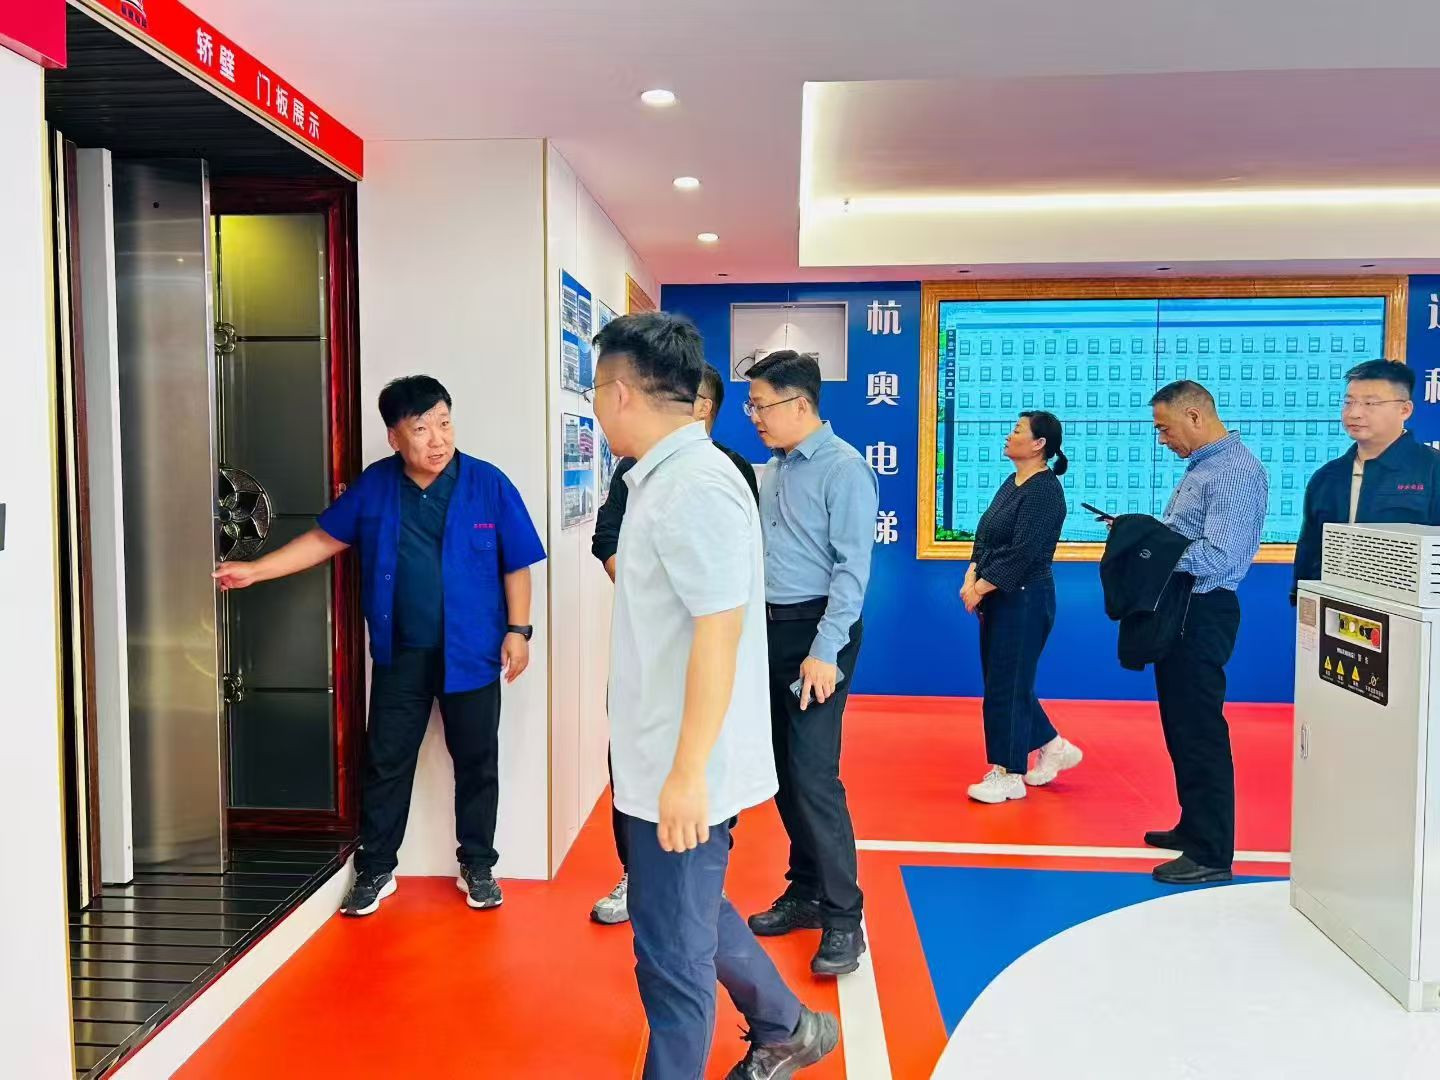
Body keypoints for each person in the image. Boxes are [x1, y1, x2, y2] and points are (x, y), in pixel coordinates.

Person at [591, 313, 837, 1080]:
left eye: (596, 390)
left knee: (672, 961)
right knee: (681, 914)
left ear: (621, 392)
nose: (595, 406)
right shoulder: (660, 480)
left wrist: (688, 772)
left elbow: (718, 633)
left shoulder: (694, 487)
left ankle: (778, 1031)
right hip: (655, 755)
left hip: (680, 763)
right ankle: (787, 1025)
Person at [213, 376, 545, 916]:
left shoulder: (488, 483)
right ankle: (376, 868)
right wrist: (256, 570)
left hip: (473, 653)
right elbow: (324, 538)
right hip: (401, 655)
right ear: (394, 437)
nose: (438, 439)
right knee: (387, 762)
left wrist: (519, 631)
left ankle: (479, 864)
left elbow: (517, 563)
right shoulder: (376, 485)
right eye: (421, 429)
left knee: (477, 762)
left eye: (444, 423)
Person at [589, 364, 757, 926]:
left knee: (683, 918)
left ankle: (704, 872)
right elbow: (605, 538)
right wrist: (643, 586)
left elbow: (719, 610)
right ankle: (637, 872)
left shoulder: (713, 476)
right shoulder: (636, 471)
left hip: (694, 668)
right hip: (647, 664)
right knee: (632, 776)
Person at [742, 350, 878, 977]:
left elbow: (852, 571)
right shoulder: (772, 469)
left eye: (761, 405)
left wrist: (825, 652)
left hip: (819, 634)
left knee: (814, 774)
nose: (754, 417)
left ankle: (845, 917)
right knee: (782, 771)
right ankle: (805, 889)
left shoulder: (844, 468)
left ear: (799, 404)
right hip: (768, 631)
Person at [1146, 380, 1268, 886]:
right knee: (1181, 726)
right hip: (1182, 609)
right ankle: (1193, 825)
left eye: (1165, 429)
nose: (1163, 439)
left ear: (1194, 416)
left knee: (1200, 732)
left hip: (1203, 610)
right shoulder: (1203, 468)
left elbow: (1219, 557)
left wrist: (1149, 550)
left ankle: (1211, 852)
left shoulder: (1234, 471)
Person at [961, 411, 1082, 803]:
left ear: (1038, 444)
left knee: (1006, 686)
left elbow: (1023, 552)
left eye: (1016, 431)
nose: (1008, 435)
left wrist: (980, 587)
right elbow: (986, 535)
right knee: (1006, 681)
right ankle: (1052, 745)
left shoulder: (1045, 491)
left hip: (1026, 598)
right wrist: (972, 574)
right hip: (998, 596)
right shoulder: (1012, 482)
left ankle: (1007, 773)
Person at [1293, 359, 1440, 597]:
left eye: (1370, 403)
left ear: (1405, 410)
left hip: (1408, 609)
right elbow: (1309, 550)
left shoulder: (1432, 469)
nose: (1354, 413)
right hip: (1336, 604)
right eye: (1349, 402)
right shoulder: (1327, 477)